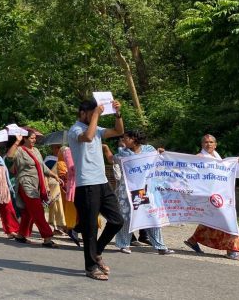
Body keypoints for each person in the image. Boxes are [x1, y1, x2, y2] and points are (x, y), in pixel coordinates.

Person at [67, 98, 125, 281]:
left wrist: (117, 114)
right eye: (91, 114)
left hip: (102, 182)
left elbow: (118, 131)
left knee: (117, 221)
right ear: (83, 113)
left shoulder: (97, 128)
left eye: (95, 113)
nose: (95, 116)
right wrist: (96, 116)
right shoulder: (75, 130)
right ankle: (91, 267)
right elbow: (88, 137)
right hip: (86, 184)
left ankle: (97, 251)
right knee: (90, 228)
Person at [184, 134, 239, 261]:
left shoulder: (217, 157)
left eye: (211, 142)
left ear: (215, 144)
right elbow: (185, 166)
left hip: (220, 194)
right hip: (207, 195)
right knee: (226, 218)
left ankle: (193, 240)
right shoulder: (199, 158)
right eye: (206, 142)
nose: (209, 144)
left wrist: (235, 161)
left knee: (212, 219)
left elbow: (224, 171)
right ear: (202, 145)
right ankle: (233, 249)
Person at [112, 130, 174, 255]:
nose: (124, 140)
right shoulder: (123, 153)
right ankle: (124, 244)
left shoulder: (149, 150)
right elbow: (113, 160)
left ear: (134, 139)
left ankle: (160, 246)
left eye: (126, 138)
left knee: (152, 216)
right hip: (129, 192)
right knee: (127, 217)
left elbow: (158, 162)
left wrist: (160, 154)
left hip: (146, 190)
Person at [8, 128, 61, 247]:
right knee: (37, 209)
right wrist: (17, 141)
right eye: (31, 138)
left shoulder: (36, 150)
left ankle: (21, 235)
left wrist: (54, 175)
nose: (34, 140)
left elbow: (42, 166)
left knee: (28, 212)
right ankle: (47, 238)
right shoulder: (20, 150)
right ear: (25, 139)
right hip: (25, 183)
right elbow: (9, 156)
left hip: (36, 185)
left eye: (35, 138)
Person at [56, 146, 81, 246]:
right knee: (71, 211)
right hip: (66, 190)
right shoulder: (60, 163)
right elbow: (63, 175)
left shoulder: (73, 162)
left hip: (73, 188)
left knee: (77, 212)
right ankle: (70, 229)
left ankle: (74, 230)